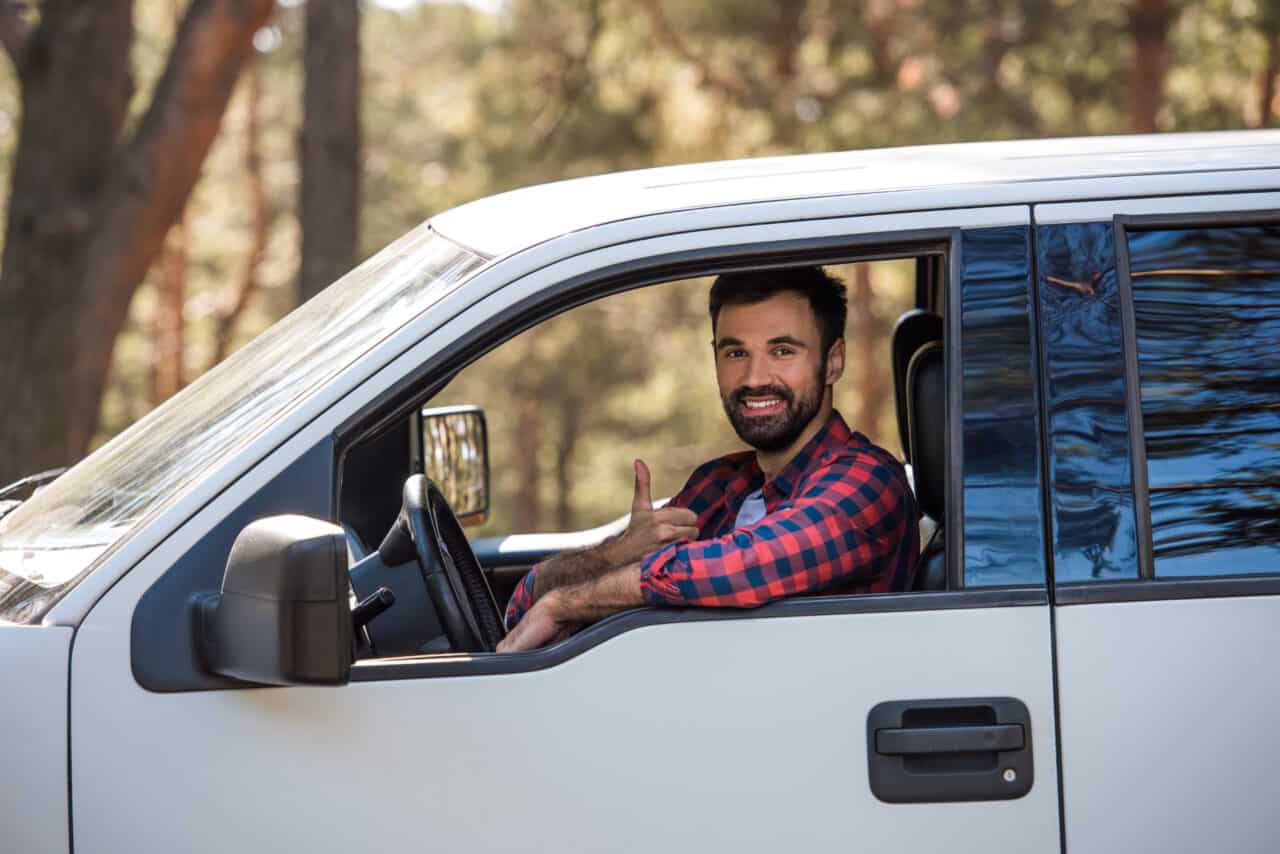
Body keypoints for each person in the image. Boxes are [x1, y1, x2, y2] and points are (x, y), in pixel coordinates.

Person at [496, 266, 919, 652]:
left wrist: (569, 604)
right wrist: (619, 552)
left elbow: (747, 565)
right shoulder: (720, 484)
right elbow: (523, 606)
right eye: (736, 353)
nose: (754, 379)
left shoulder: (868, 481)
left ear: (833, 362)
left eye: (783, 351)